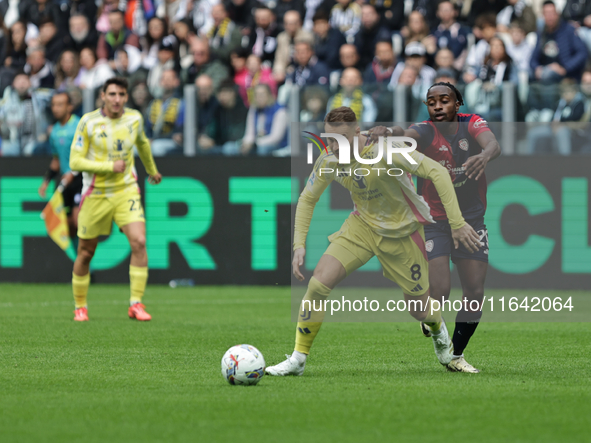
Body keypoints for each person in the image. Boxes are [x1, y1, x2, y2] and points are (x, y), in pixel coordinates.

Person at [265, 106, 482, 376]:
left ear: (358, 132)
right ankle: (298, 359)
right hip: (362, 227)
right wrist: (299, 244)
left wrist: (457, 223)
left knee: (419, 310)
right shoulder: (328, 158)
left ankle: (439, 333)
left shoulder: (386, 150)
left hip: (402, 233)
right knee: (318, 283)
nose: (334, 146)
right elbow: (307, 198)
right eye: (329, 139)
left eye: (341, 139)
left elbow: (437, 172)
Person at [384, 82, 501, 372]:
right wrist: (390, 133)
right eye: (431, 101)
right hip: (434, 220)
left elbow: (493, 144)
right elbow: (406, 136)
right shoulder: (424, 130)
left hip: (471, 219)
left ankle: (456, 356)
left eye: (444, 100)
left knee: (474, 292)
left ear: (457, 104)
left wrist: (484, 156)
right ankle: (427, 314)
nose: (437, 106)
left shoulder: (471, 123)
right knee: (440, 292)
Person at [69, 77, 162, 322]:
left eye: (121, 94)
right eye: (112, 94)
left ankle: (136, 303)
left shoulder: (134, 119)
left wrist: (152, 170)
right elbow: (75, 162)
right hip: (96, 193)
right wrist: (110, 166)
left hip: (126, 190)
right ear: (103, 96)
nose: (117, 99)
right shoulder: (88, 122)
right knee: (86, 253)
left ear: (126, 97)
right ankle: (80, 306)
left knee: (139, 242)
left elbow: (142, 144)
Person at [38, 92, 82, 253]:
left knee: (79, 222)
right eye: (54, 105)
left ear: (69, 106)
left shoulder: (79, 126)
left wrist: (74, 172)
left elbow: (88, 154)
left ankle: (85, 267)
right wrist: (46, 181)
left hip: (81, 181)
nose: (56, 108)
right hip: (65, 184)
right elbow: (56, 160)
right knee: (69, 227)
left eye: (60, 104)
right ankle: (80, 262)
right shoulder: (55, 131)